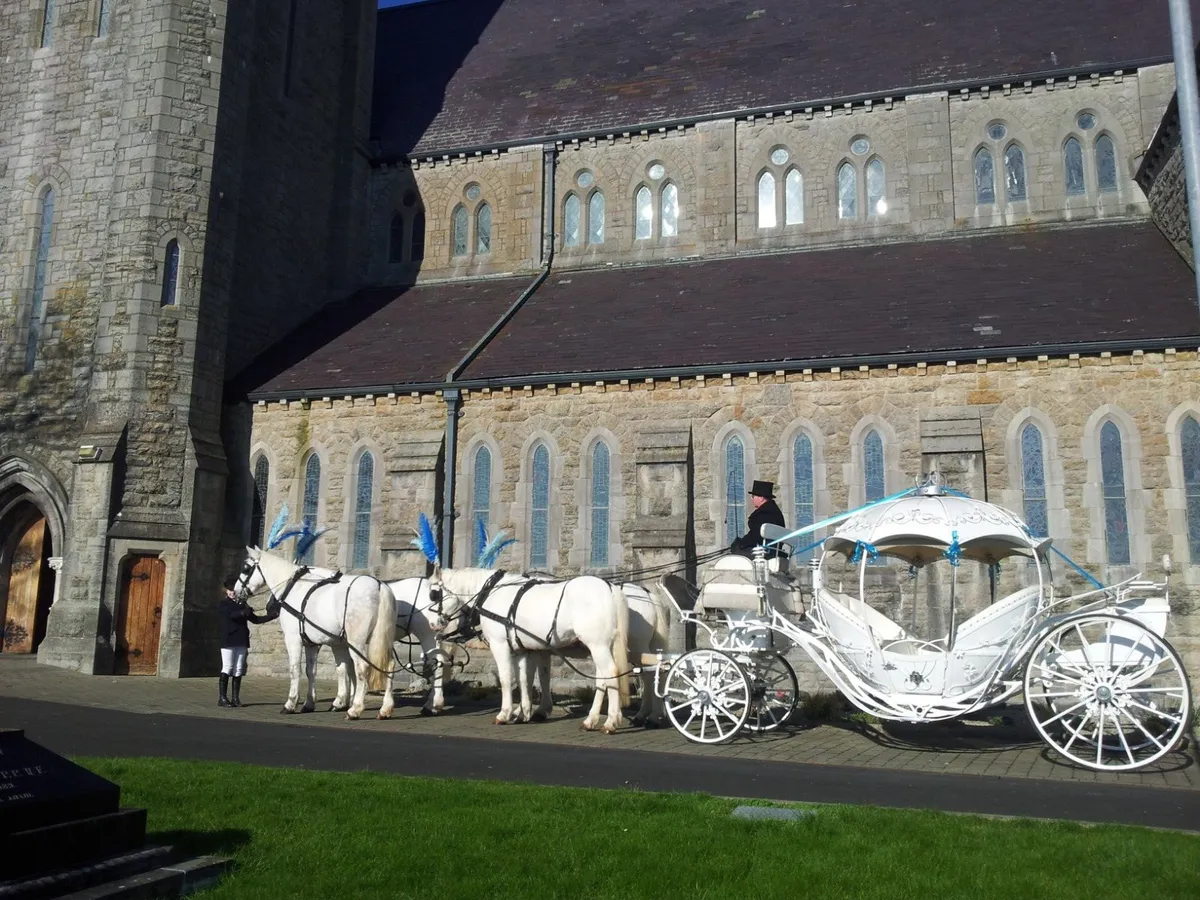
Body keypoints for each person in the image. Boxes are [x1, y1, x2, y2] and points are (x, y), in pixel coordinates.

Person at [218, 574, 278, 708]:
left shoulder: (242, 604)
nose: (232, 592)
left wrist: (271, 617)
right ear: (226, 591)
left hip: (241, 638)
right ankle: (222, 698)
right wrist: (243, 612)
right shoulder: (223, 604)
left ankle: (235, 698)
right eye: (230, 590)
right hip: (228, 639)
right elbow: (231, 616)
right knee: (227, 667)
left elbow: (255, 620)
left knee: (239, 669)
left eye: (234, 590)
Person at [729, 480, 786, 558]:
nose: (752, 499)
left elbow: (755, 536)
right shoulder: (774, 511)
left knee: (735, 551)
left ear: (761, 498)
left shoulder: (763, 514)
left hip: (766, 553)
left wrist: (740, 543)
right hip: (774, 551)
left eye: (753, 496)